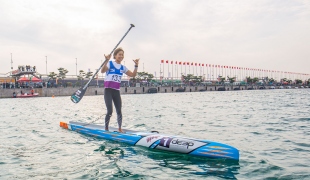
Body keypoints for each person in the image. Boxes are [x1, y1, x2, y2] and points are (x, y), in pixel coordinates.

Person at [101, 47, 139, 133]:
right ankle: (106, 129)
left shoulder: (123, 67)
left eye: (122, 55)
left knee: (119, 111)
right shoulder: (110, 64)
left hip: (116, 91)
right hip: (108, 91)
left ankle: (119, 128)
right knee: (110, 111)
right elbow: (102, 71)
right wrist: (106, 60)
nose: (121, 56)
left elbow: (133, 74)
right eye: (119, 54)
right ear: (115, 56)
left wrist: (136, 66)